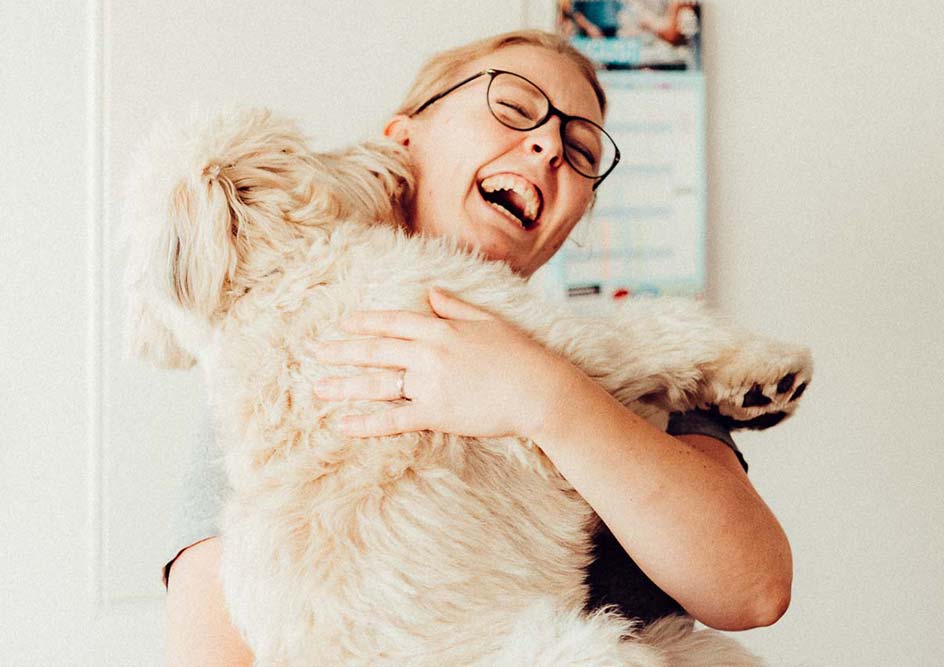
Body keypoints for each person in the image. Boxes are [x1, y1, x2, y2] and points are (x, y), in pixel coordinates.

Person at [163, 29, 792, 665]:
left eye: (581, 151)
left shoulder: (644, 373)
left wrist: (542, 394)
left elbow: (754, 590)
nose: (549, 144)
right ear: (402, 140)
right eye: (514, 109)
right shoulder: (283, 370)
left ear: (575, 217)